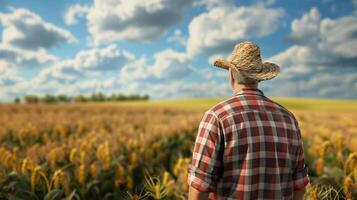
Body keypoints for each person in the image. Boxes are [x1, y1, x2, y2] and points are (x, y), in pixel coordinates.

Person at [187, 41, 310, 200]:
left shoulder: (216, 117)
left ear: (231, 75)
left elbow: (199, 189)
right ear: (259, 78)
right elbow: (299, 185)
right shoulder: (288, 118)